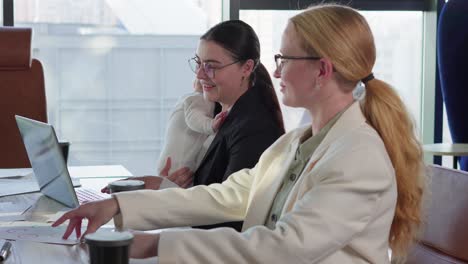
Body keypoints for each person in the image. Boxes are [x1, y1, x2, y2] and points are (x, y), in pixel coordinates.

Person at [53, 4, 425, 263]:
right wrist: (120, 206)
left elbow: (285, 249)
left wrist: (157, 246)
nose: (276, 72)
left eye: (285, 60)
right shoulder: (297, 142)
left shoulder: (357, 158)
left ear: (322, 70)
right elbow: (229, 195)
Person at [102, 20, 285, 230]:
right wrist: (162, 185)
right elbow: (209, 194)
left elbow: (228, 217)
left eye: (211, 66)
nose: (199, 74)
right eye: (198, 63)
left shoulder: (253, 128)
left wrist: (162, 192)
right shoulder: (215, 111)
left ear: (247, 67)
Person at [154, 79, 227, 187]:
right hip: (177, 163)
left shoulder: (191, 100)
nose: (201, 75)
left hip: (171, 162)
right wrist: (211, 125)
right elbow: (193, 118)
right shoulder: (197, 98)